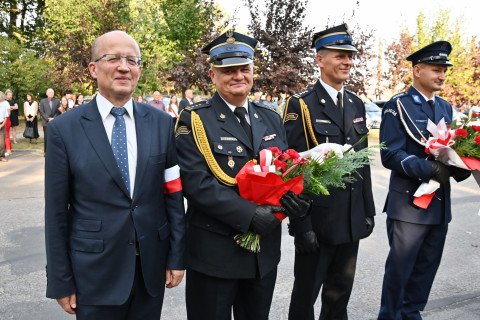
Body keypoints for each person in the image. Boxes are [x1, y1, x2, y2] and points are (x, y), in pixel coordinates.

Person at [44, 30, 186, 320]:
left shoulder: (162, 123)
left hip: (151, 268)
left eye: (132, 60)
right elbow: (56, 211)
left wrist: (176, 256)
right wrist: (61, 279)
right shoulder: (64, 129)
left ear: (139, 69)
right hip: (94, 273)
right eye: (114, 58)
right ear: (93, 69)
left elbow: (173, 194)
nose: (124, 67)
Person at [175, 30, 311, 320]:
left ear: (252, 71)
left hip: (263, 253)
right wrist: (248, 214)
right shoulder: (195, 119)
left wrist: (295, 202)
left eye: (244, 69)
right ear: (212, 75)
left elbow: (283, 172)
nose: (238, 75)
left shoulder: (270, 116)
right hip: (216, 253)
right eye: (228, 70)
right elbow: (197, 184)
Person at [283, 23, 375, 320]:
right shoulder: (302, 105)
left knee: (339, 297)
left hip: (350, 220)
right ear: (320, 60)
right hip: (318, 223)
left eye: (349, 55)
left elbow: (362, 163)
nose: (347, 61)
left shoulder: (356, 102)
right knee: (305, 298)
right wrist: (301, 226)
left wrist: (368, 209)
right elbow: (292, 170)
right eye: (339, 55)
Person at [377, 41, 471, 320]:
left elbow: (451, 147)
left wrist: (460, 165)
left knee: (425, 271)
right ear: (417, 70)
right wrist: (429, 170)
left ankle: (411, 313)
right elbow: (389, 154)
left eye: (444, 70)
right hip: (409, 204)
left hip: (439, 204)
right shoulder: (398, 105)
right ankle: (391, 316)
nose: (442, 75)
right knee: (400, 271)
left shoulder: (444, 106)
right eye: (436, 69)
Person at [39, 88, 61, 153]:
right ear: (47, 93)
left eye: (52, 92)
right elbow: (41, 111)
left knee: (54, 137)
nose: (51, 93)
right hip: (46, 122)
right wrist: (48, 118)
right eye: (50, 92)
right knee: (46, 137)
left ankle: (54, 152)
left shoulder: (57, 101)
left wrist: (53, 118)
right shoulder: (42, 101)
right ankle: (46, 152)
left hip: (55, 122)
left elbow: (58, 111)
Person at [0, 92, 9, 162]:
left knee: (2, 142)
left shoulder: (3, 106)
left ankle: (1, 156)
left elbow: (6, 116)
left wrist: (2, 125)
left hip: (1, 124)